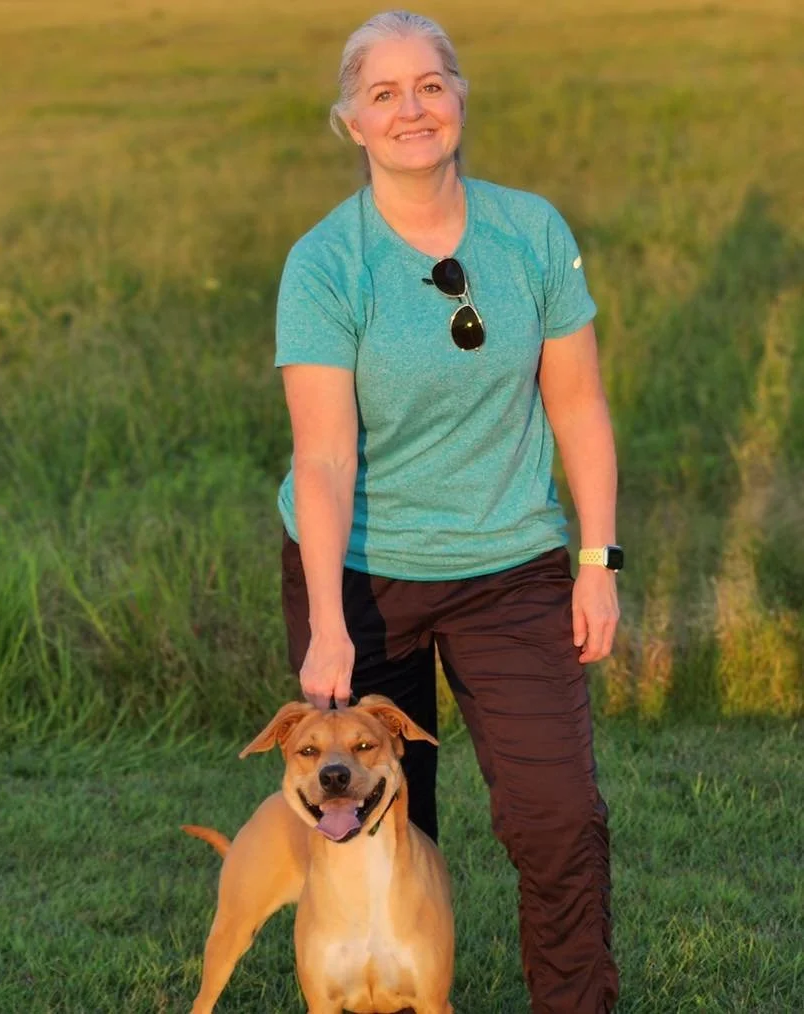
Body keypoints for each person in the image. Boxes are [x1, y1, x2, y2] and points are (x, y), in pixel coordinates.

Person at [274, 10, 621, 1013]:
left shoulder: (531, 233)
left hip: (509, 565)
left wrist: (597, 560)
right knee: (375, 816)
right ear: (351, 123)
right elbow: (327, 455)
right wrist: (332, 622)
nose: (411, 109)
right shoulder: (327, 264)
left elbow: (579, 404)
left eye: (430, 84)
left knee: (557, 817)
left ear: (460, 96)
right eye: (383, 93)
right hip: (361, 569)